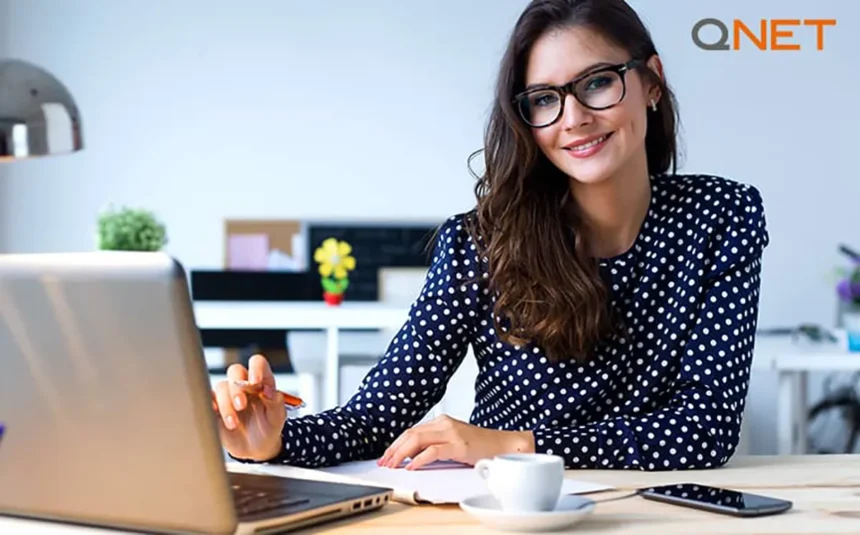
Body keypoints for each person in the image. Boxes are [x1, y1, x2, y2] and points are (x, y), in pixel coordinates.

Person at [212, 0, 769, 472]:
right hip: (506, 517)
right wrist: (273, 443)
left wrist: (516, 446)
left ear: (651, 82)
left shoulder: (722, 217)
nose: (572, 117)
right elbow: (376, 416)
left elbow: (705, 430)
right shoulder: (480, 245)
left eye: (598, 82)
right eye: (545, 99)